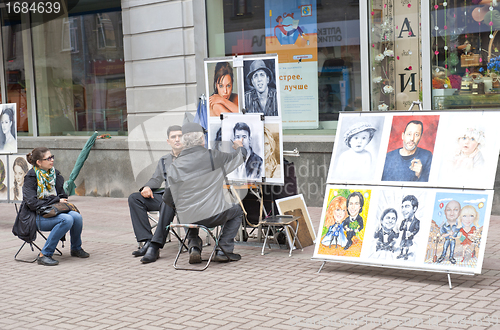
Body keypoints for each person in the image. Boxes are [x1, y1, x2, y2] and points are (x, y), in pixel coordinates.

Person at [165, 122, 245, 263]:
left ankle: (194, 247)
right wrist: (239, 146)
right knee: (237, 210)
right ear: (202, 139)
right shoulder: (213, 157)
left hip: (188, 219)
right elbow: (239, 158)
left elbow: (168, 198)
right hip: (213, 215)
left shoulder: (175, 165)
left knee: (186, 211)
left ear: (184, 142)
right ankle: (223, 250)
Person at [18, 147, 89, 266]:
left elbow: (62, 195)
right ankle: (44, 254)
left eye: (52, 157)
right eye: (48, 158)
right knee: (66, 219)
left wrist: (60, 198)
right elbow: (32, 203)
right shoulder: (30, 178)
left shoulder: (54, 174)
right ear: (39, 162)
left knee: (76, 217)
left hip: (54, 211)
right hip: (35, 216)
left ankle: (76, 248)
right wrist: (56, 199)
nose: (52, 160)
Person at [128, 125, 182, 264]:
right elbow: (156, 179)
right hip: (167, 199)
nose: (177, 139)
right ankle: (146, 240)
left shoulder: (193, 158)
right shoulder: (164, 160)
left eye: (180, 136)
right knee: (135, 198)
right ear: (168, 141)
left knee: (168, 197)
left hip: (184, 200)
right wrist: (147, 187)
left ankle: (155, 245)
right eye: (173, 137)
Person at [437, 200, 461, 264]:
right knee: (445, 248)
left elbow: (461, 235)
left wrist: (457, 237)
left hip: (453, 240)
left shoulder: (459, 226)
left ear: (459, 212)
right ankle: (442, 256)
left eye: (455, 210)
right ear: (445, 212)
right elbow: (442, 235)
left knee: (452, 249)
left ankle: (451, 257)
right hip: (447, 239)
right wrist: (449, 234)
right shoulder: (444, 226)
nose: (452, 213)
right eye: (449, 210)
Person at [397, 195, 420, 260]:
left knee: (407, 246)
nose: (403, 210)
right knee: (401, 245)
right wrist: (402, 227)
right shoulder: (403, 221)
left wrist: (412, 233)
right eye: (402, 207)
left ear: (414, 209)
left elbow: (417, 229)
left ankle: (406, 254)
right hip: (404, 236)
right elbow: (400, 228)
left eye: (407, 207)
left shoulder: (416, 221)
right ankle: (401, 253)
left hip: (409, 237)